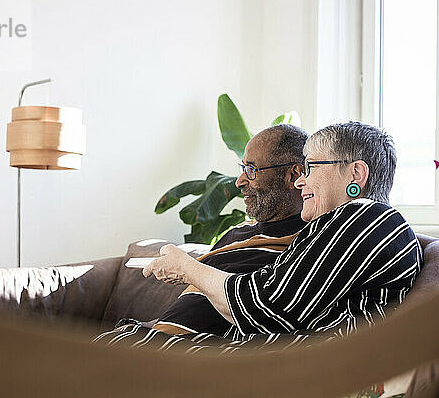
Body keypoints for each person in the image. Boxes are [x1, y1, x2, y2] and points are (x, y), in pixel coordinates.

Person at [142, 121, 422, 341]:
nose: (301, 182)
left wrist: (187, 268)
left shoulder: (368, 218)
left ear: (355, 174)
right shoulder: (339, 226)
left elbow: (265, 308)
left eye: (310, 168)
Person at [151, 123, 309, 336]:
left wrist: (185, 267)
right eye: (242, 168)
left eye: (252, 170)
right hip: (153, 340)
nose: (239, 181)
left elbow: (258, 313)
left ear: (294, 175)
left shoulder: (304, 244)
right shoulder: (237, 233)